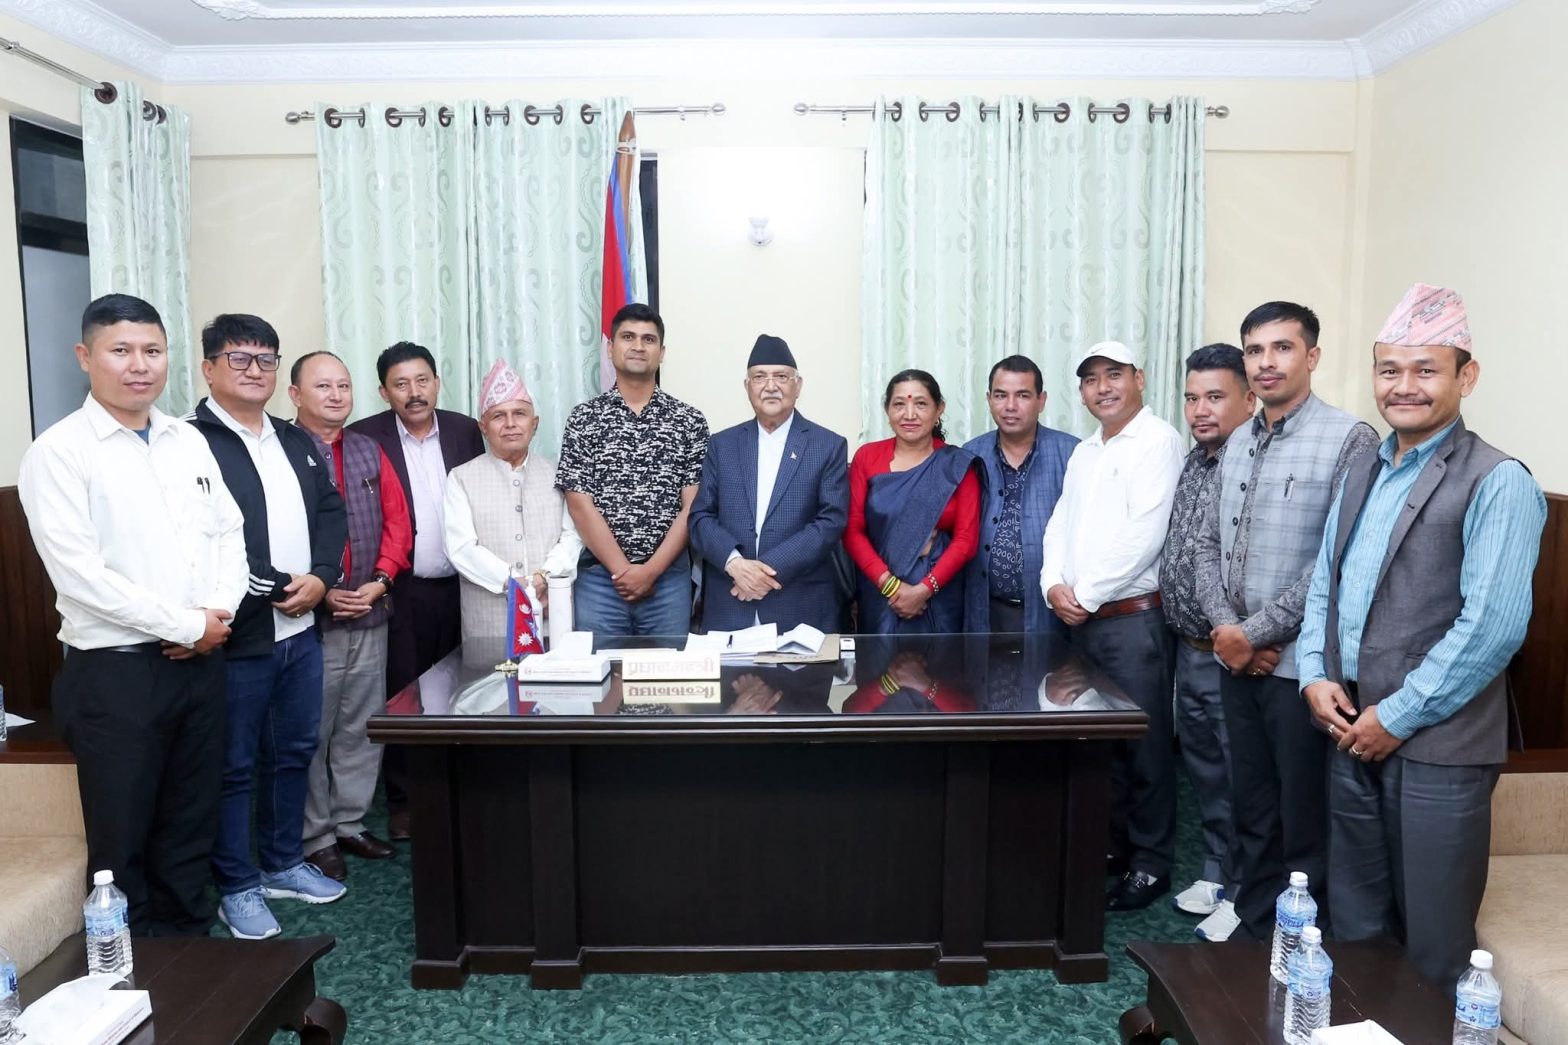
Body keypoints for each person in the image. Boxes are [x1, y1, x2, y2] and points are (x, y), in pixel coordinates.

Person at [1298, 284, 1544, 989]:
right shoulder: (1363, 468)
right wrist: (1315, 672)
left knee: (1434, 942)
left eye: (1426, 369)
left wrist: (1397, 717)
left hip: (1438, 745)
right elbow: (1325, 584)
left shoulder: (1499, 480)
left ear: (1467, 376)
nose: (1403, 386)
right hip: (1350, 728)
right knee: (1355, 927)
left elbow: (1492, 628)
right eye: (1389, 370)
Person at [18, 294, 247, 937]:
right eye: (120, 350)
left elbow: (229, 532)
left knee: (190, 823)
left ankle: (189, 955)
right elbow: (81, 577)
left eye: (152, 350)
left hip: (201, 662)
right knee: (122, 839)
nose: (139, 365)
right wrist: (186, 625)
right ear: (85, 356)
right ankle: (132, 971)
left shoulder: (187, 440)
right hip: (116, 676)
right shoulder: (59, 452)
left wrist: (217, 612)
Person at [1193, 301, 1379, 943]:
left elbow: (1336, 557)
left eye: (1282, 348)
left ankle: (1299, 935)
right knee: (1251, 802)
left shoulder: (1350, 438)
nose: (1266, 362)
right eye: (1255, 350)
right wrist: (1228, 631)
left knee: (1302, 812)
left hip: (1303, 668)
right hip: (1235, 658)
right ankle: (1254, 920)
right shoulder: (1237, 438)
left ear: (1312, 356)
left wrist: (1255, 634)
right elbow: (1207, 545)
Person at [189, 314, 349, 939]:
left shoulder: (292, 437)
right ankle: (237, 884)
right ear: (209, 368)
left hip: (300, 632)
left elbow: (330, 510)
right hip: (239, 636)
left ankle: (283, 863)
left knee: (293, 753)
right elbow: (199, 538)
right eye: (239, 358)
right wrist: (285, 586)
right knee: (233, 767)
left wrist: (323, 577)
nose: (254, 370)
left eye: (265, 359)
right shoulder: (188, 442)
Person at [1042, 340, 1184, 911]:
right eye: (1091, 379)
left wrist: (1085, 593)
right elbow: (1060, 522)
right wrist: (1053, 584)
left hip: (1131, 621)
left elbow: (1145, 533)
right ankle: (1116, 847)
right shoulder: (1085, 451)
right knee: (1105, 745)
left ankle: (1151, 863)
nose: (1102, 387)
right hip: (1082, 622)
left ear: (1139, 379)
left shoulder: (1159, 441)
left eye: (1114, 375)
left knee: (1145, 748)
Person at [347, 341, 484, 840]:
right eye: (401, 384)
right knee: (404, 693)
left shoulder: (467, 430)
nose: (414, 392)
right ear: (384, 392)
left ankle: (464, 789)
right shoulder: (366, 438)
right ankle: (405, 801)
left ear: (437, 382)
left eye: (422, 380)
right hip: (401, 590)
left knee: (469, 690)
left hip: (467, 588)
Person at [288, 351, 412, 882]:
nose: (336, 395)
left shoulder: (367, 448)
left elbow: (398, 523)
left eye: (343, 385)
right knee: (311, 731)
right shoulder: (281, 450)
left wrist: (381, 580)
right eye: (323, 386)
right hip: (308, 621)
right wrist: (322, 593)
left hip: (370, 609)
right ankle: (315, 835)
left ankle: (350, 823)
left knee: (361, 725)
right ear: (295, 395)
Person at [1158, 344, 1258, 940]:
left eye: (1215, 397)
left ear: (1249, 398)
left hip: (1235, 654)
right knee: (1205, 771)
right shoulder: (1195, 460)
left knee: (1243, 776)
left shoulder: (1253, 463)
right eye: (1192, 397)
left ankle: (1246, 891)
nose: (1200, 410)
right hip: (1188, 648)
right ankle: (1217, 871)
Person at [555, 303, 709, 637]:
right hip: (600, 581)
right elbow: (579, 505)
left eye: (648, 339)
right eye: (628, 337)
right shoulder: (584, 419)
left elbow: (693, 507)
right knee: (599, 670)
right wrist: (623, 570)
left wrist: (650, 571)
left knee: (668, 671)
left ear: (662, 353)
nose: (638, 346)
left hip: (668, 581)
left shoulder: (689, 421)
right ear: (610, 349)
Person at [688, 335, 850, 633]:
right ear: (747, 386)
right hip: (730, 604)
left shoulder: (827, 445)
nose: (771, 386)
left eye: (781, 376)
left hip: (799, 607)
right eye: (760, 377)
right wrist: (735, 564)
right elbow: (701, 517)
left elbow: (830, 522)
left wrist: (762, 573)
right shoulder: (722, 445)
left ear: (798, 385)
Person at [445, 359, 582, 642]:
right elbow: (461, 547)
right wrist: (511, 581)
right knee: (490, 671)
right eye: (498, 416)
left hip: (551, 613)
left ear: (534, 423)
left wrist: (544, 577)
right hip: (489, 621)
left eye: (519, 414)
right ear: (483, 427)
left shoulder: (559, 473)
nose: (510, 424)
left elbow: (573, 535)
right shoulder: (460, 478)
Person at [843, 370, 981, 634]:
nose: (909, 414)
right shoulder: (867, 458)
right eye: (899, 404)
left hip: (940, 596)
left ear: (939, 408)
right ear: (887, 410)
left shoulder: (956, 465)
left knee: (942, 661)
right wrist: (890, 585)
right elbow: (852, 530)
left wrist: (924, 590)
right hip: (881, 593)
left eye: (920, 404)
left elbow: (967, 539)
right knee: (880, 659)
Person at [962, 355, 1078, 635]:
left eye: (1023, 395)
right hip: (985, 612)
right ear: (989, 399)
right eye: (1001, 395)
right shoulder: (969, 455)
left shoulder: (1073, 454)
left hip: (1054, 615)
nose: (1010, 406)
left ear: (1042, 400)